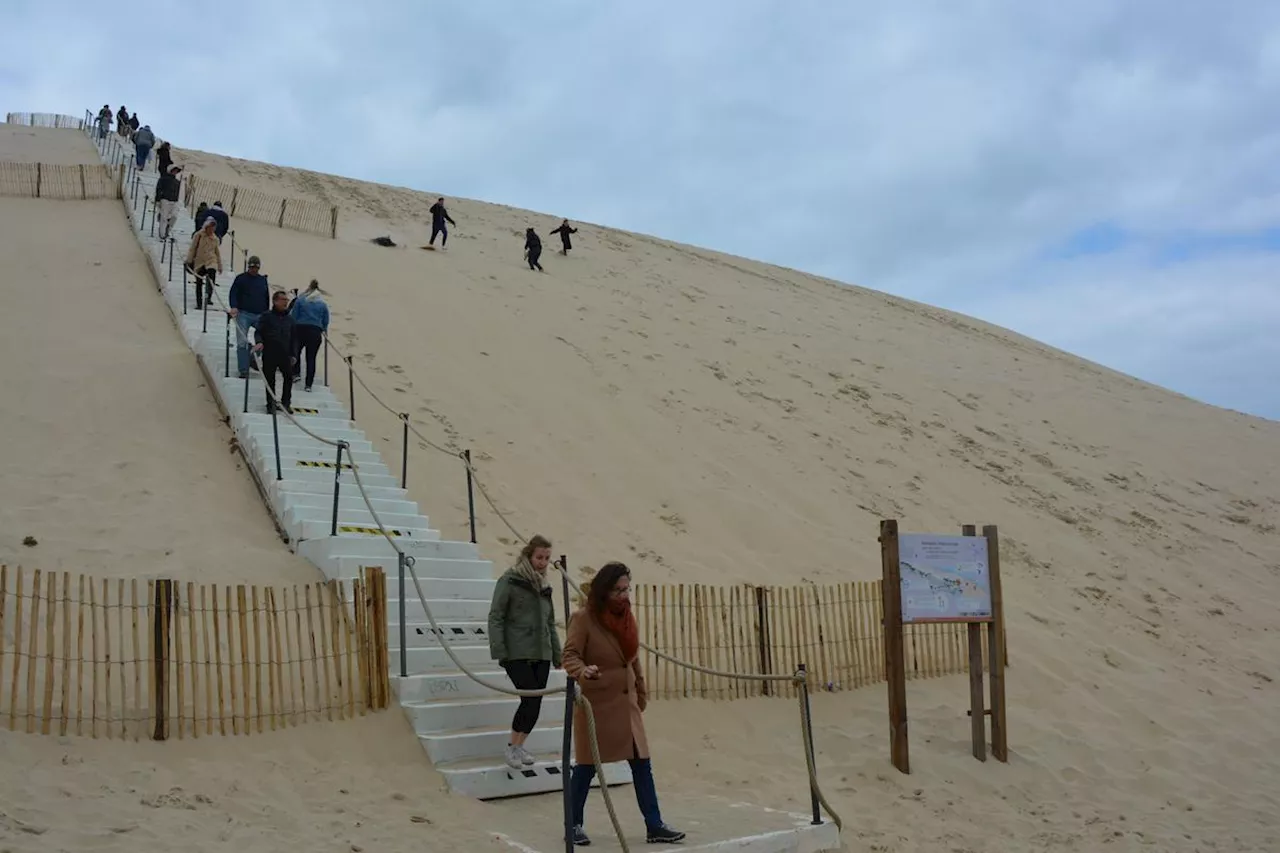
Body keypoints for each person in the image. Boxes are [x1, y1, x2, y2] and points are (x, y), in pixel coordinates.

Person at [562, 562, 685, 846]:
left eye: (627, 588)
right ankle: (573, 824)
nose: (623, 595)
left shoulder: (628, 617)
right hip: (597, 705)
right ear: (604, 591)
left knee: (642, 764)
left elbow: (631, 656)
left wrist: (640, 690)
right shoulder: (583, 619)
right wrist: (583, 671)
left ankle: (654, 825)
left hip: (626, 704)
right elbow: (569, 655)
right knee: (585, 767)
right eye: (617, 590)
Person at [487, 535, 561, 770]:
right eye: (539, 557)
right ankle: (512, 746)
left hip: (542, 652)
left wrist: (557, 654)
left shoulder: (545, 586)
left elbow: (550, 623)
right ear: (529, 556)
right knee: (529, 698)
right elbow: (496, 616)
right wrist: (500, 650)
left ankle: (520, 745)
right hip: (517, 650)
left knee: (536, 701)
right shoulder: (510, 580)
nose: (543, 562)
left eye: (547, 558)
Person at [253, 290, 296, 414]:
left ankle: (286, 403)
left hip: (285, 354)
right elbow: (258, 331)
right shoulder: (266, 316)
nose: (285, 302)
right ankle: (270, 404)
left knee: (288, 378)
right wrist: (259, 342)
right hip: (270, 353)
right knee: (270, 379)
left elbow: (294, 338)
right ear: (275, 301)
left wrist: (294, 354)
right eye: (283, 300)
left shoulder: (290, 319)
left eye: (286, 300)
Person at [228, 256, 271, 379]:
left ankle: (252, 356)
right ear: (248, 266)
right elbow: (233, 293)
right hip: (243, 314)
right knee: (242, 342)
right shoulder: (241, 279)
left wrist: (267, 314)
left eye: (256, 267)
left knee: (265, 339)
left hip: (260, 315)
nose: (254, 269)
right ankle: (243, 370)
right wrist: (234, 306)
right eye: (252, 267)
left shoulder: (262, 280)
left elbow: (266, 297)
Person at [289, 279, 329, 391]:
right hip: (315, 331)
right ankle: (308, 385)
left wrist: (291, 328)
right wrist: (324, 329)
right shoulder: (322, 303)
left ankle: (296, 374)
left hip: (300, 328)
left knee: (296, 352)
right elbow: (326, 319)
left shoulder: (301, 300)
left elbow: (294, 315)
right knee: (311, 358)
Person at [184, 218, 222, 310]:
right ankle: (199, 303)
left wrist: (219, 265)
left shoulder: (215, 239)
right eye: (210, 228)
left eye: (213, 228)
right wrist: (189, 261)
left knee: (211, 276)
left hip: (211, 261)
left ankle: (208, 296)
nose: (212, 230)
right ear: (206, 227)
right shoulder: (198, 235)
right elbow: (193, 248)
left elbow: (217, 253)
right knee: (199, 282)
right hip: (200, 262)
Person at [155, 165, 182, 240]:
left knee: (174, 216)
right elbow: (158, 189)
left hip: (174, 201)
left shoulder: (177, 182)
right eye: (174, 170)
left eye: (176, 171)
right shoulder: (163, 179)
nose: (175, 172)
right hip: (165, 200)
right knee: (163, 217)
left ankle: (167, 229)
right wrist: (158, 200)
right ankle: (162, 234)